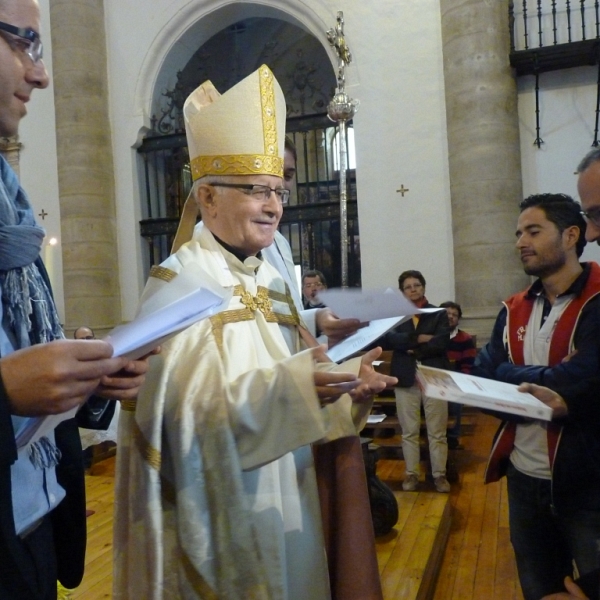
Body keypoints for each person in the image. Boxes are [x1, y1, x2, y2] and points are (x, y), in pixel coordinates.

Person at [114, 65, 396, 600]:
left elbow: (298, 366)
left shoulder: (269, 275)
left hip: (291, 490)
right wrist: (297, 389)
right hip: (222, 505)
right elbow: (175, 418)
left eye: (278, 191)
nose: (273, 206)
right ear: (208, 197)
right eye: (255, 191)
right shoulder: (178, 285)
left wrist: (343, 388)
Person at [0, 1, 152, 598]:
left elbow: (23, 345)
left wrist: (81, 373)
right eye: (24, 44)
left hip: (32, 520)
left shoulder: (8, 199)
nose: (41, 74)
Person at [472, 193, 600, 600]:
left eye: (533, 231)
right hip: (525, 477)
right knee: (540, 589)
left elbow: (585, 378)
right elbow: (484, 370)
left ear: (570, 236)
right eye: (517, 233)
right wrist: (537, 376)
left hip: (586, 478)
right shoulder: (513, 308)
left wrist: (509, 372)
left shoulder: (597, 300)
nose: (520, 242)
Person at [384, 270, 451, 493]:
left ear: (423, 287)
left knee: (437, 431)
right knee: (409, 431)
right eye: (408, 287)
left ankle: (439, 475)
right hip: (405, 376)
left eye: (416, 285)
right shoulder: (396, 315)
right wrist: (418, 339)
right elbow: (388, 339)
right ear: (403, 292)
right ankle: (411, 474)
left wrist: (412, 348)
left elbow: (441, 342)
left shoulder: (437, 313)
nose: (413, 289)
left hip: (433, 375)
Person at [439, 301, 477, 449]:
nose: (451, 317)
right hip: (436, 376)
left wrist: (462, 382)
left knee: (455, 401)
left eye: (454, 315)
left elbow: (468, 363)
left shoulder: (465, 339)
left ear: (458, 319)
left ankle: (453, 438)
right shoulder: (433, 336)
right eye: (447, 314)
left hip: (455, 377)